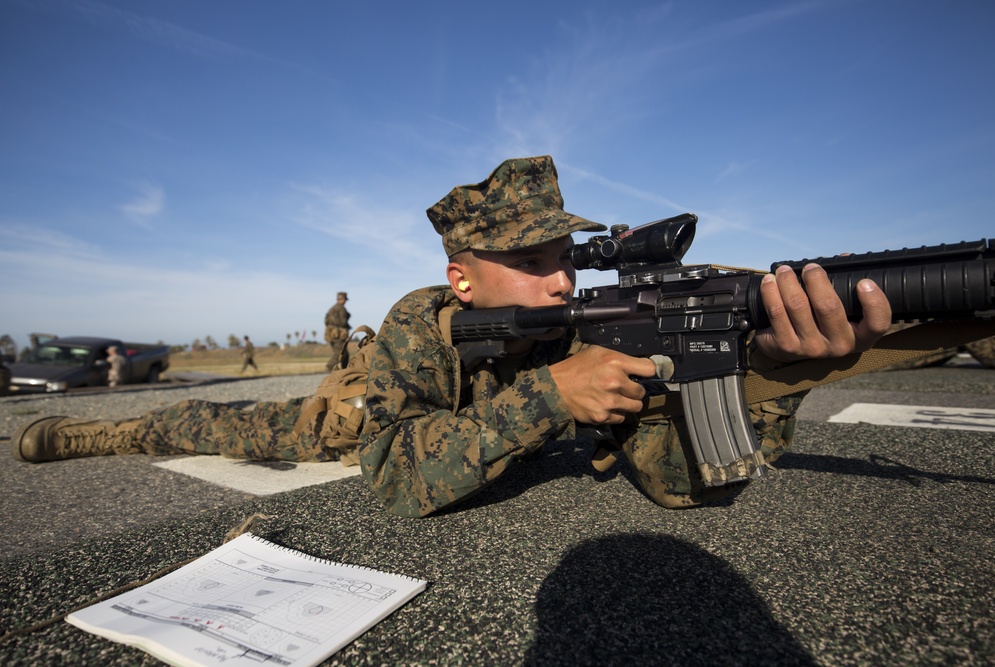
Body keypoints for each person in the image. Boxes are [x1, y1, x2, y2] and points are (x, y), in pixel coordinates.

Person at [9, 156, 892, 519]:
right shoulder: (417, 319)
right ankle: (104, 428)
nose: (561, 277)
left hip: (475, 417)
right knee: (228, 423)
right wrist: (554, 394)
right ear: (465, 278)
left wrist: (769, 374)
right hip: (369, 409)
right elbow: (394, 481)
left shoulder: (588, 325)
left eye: (567, 256)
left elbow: (679, 483)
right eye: (531, 258)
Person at [324, 292, 351, 371]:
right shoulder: (341, 308)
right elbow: (342, 322)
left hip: (332, 335)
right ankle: (329, 368)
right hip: (337, 335)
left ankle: (345, 370)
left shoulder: (332, 309)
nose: (345, 301)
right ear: (342, 299)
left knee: (345, 354)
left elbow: (327, 322)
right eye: (345, 299)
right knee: (340, 353)